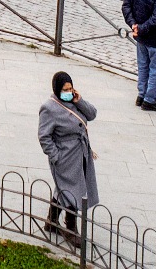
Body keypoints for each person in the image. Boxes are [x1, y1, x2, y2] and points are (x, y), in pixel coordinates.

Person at [38, 71, 98, 236]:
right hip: (65, 156)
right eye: (65, 89)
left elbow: (92, 114)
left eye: (70, 88)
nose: (68, 92)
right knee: (73, 190)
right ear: (57, 89)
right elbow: (44, 136)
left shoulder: (74, 101)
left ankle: (51, 221)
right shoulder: (49, 108)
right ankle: (71, 229)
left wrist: (80, 100)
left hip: (80, 153)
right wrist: (56, 156)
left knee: (65, 187)